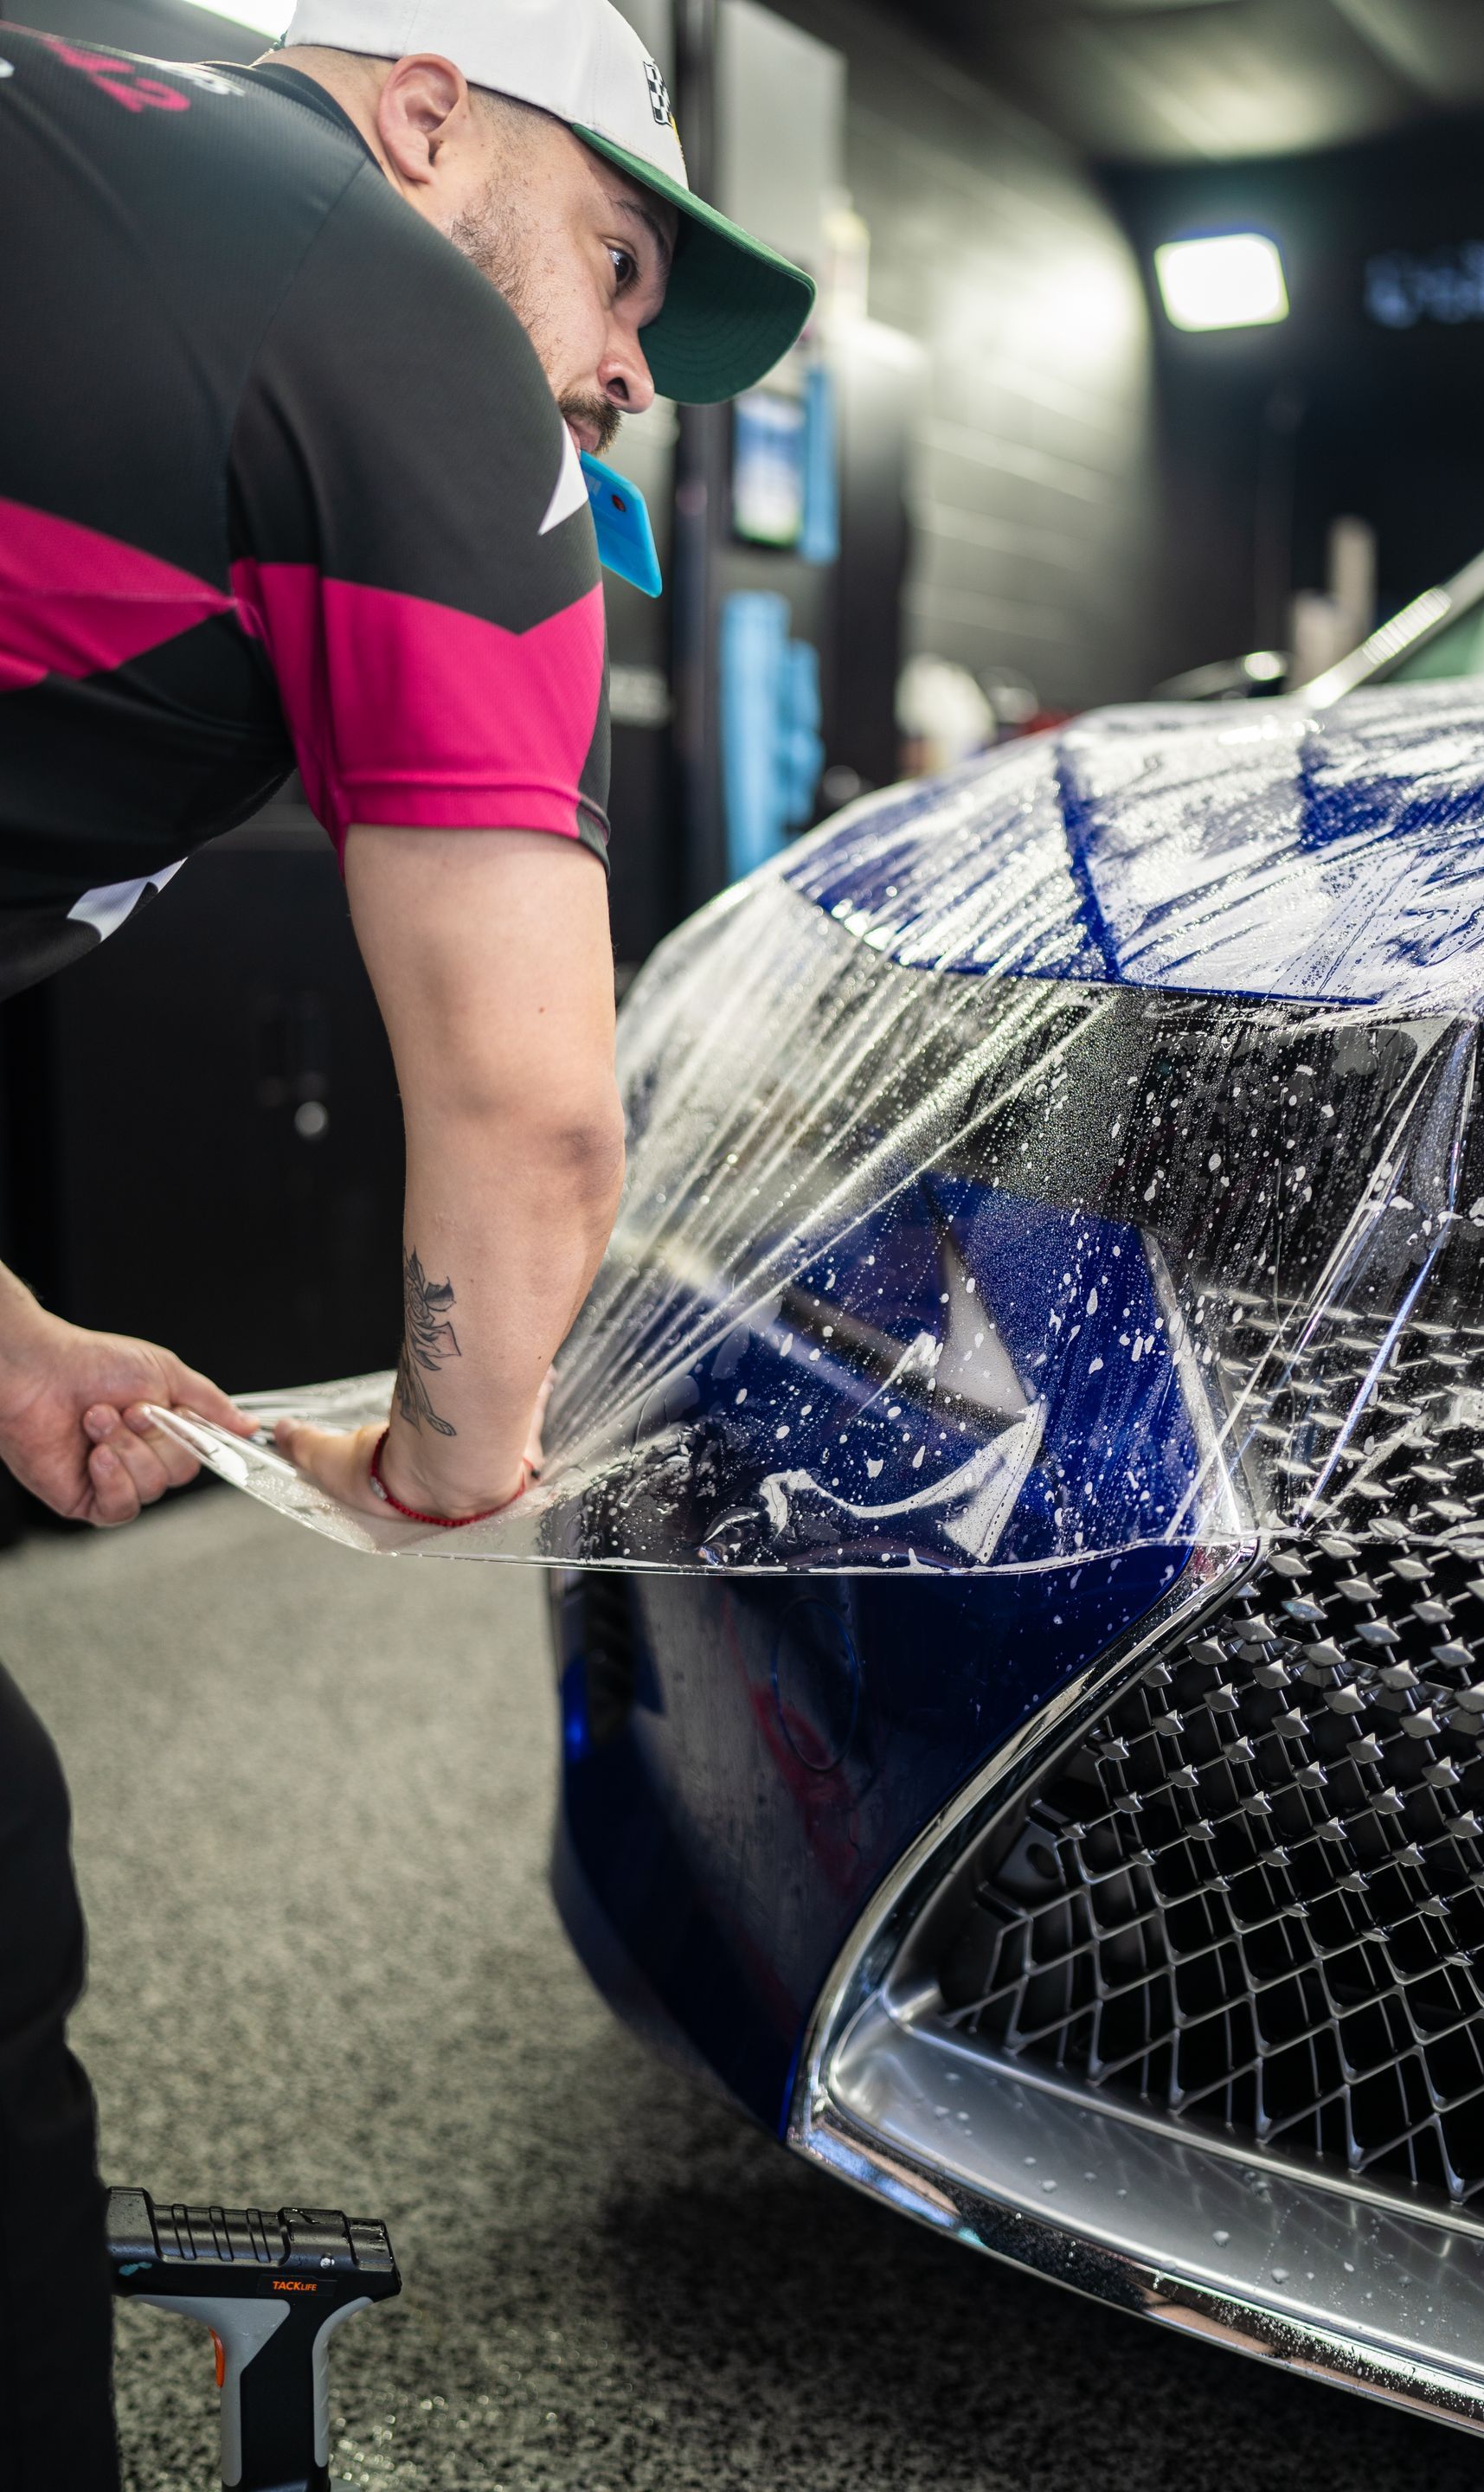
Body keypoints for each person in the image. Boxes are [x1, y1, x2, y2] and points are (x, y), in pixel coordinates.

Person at [0, 4, 812, 2479]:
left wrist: (8, 1329)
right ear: (430, 116)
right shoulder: (401, 322)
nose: (627, 372)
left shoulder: (87, 128)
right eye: (621, 267)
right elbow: (538, 1113)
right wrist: (457, 1451)